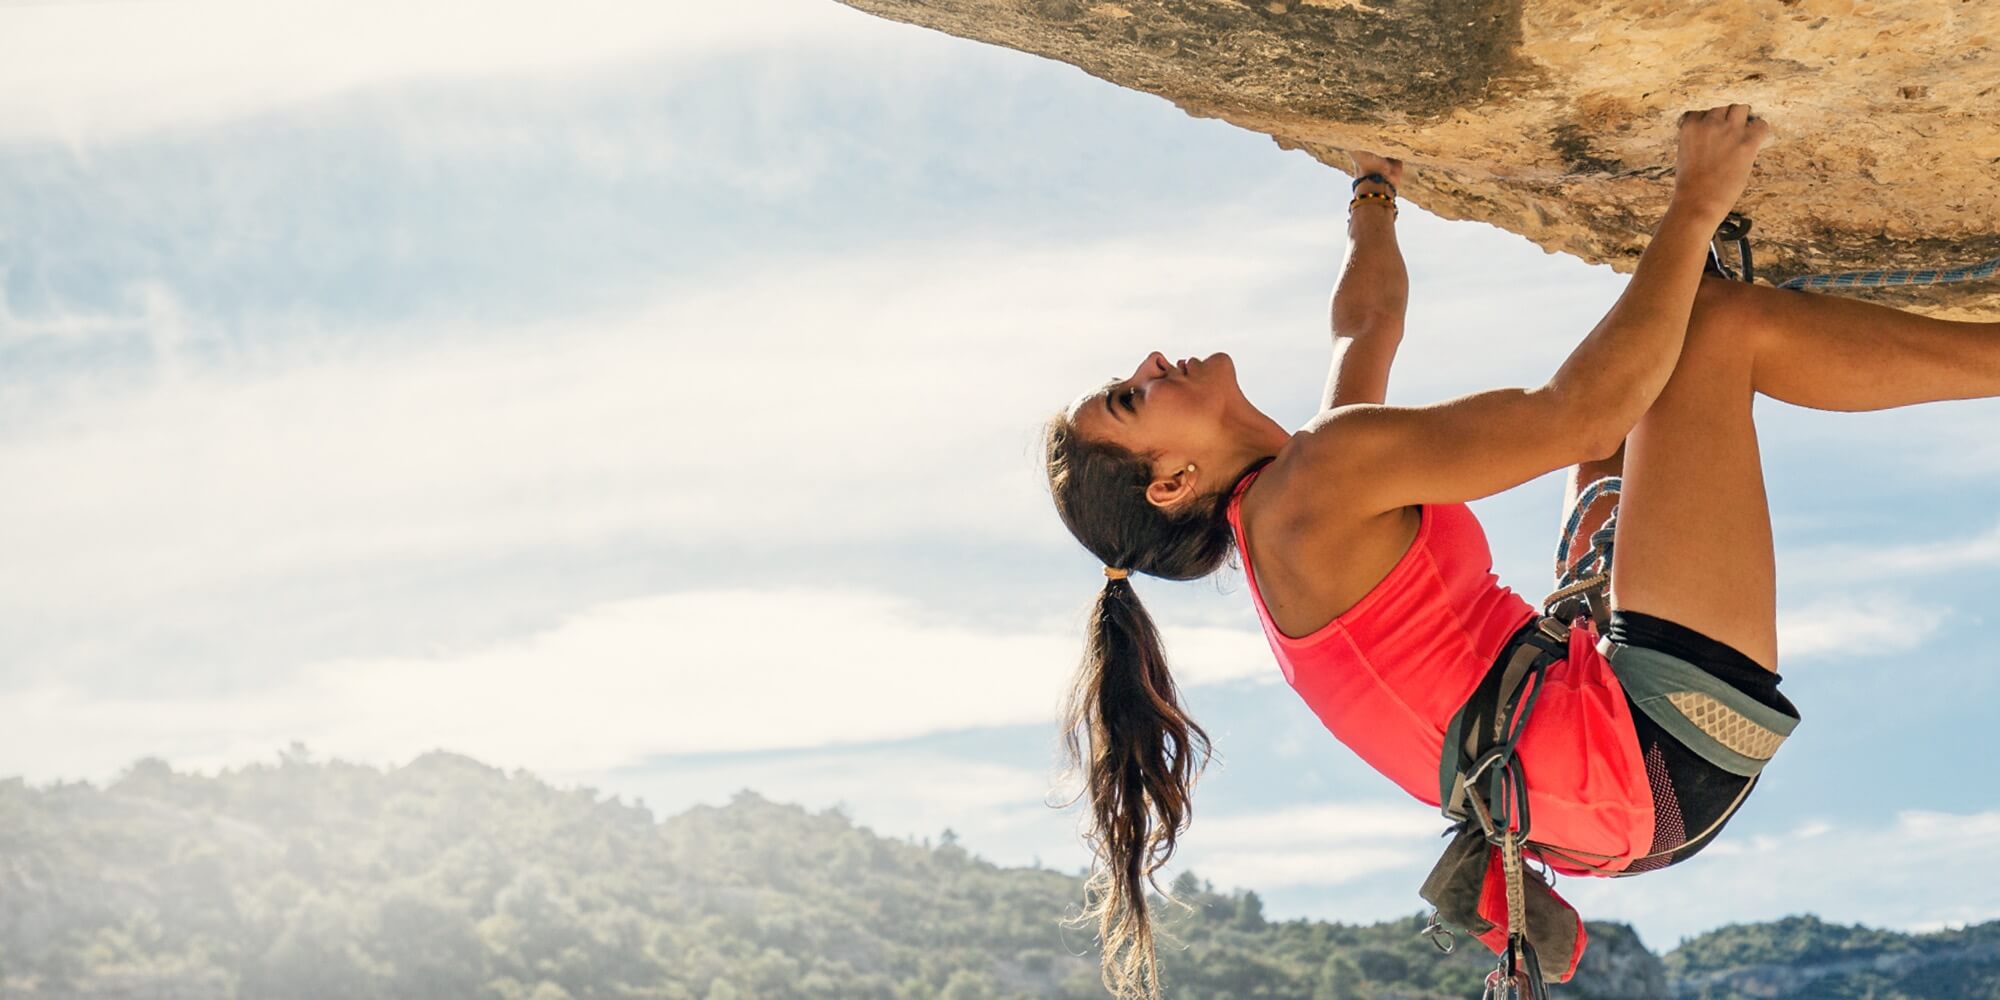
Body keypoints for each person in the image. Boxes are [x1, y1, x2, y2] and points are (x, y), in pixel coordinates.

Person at [1041, 104, 2000, 999]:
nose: (1151, 363)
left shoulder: (1298, 498)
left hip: (1609, 795)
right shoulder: (1312, 488)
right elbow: (1581, 409)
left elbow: (1363, 327)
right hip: (1652, 751)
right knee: (1711, 331)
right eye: (1131, 399)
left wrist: (1372, 189)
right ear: (1171, 482)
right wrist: (1696, 199)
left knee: (1638, 382)